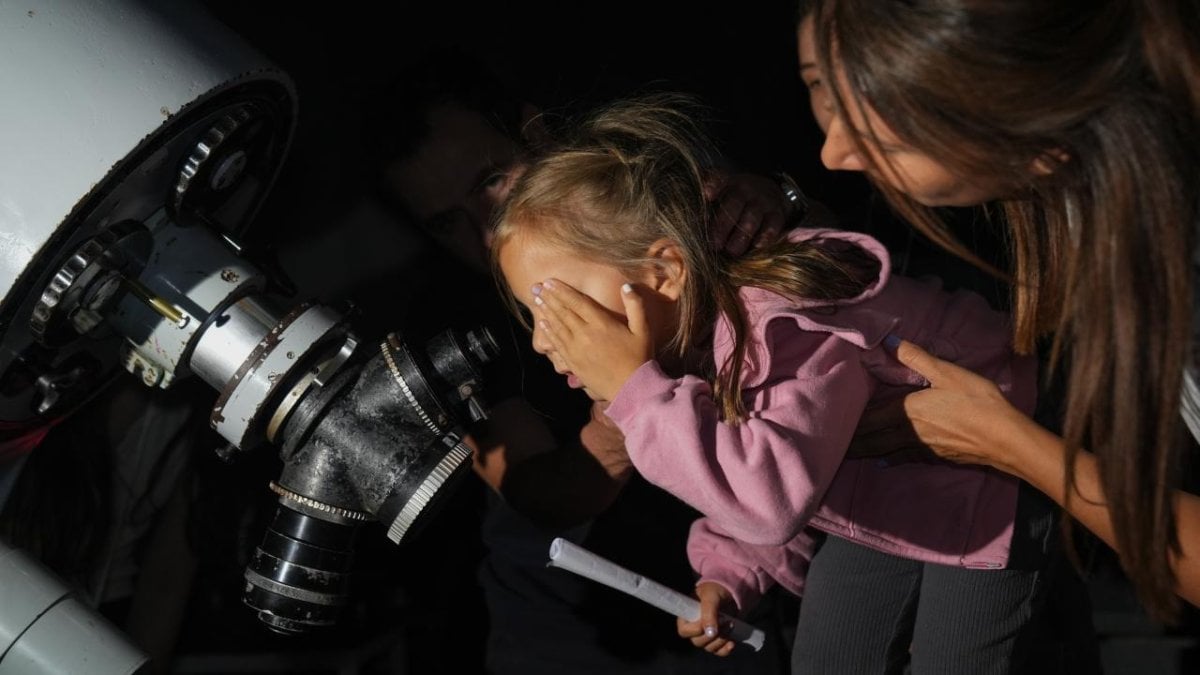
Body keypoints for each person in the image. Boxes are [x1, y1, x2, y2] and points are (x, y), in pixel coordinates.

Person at [493, 93, 1066, 673]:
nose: (544, 341)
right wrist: (731, 573)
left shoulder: (785, 324)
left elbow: (769, 497)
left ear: (663, 273)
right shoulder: (697, 338)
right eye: (532, 316)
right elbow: (765, 455)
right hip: (883, 493)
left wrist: (635, 392)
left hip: (990, 484)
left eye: (559, 309)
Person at [366, 50, 797, 673]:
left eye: (491, 181)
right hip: (584, 625)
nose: (488, 233)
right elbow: (539, 493)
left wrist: (775, 204)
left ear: (536, 134)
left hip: (762, 580)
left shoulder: (643, 191)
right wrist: (628, 395)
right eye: (446, 223)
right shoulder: (452, 323)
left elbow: (849, 299)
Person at [797, 0, 1200, 623]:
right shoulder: (1091, 196)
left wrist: (1004, 442)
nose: (834, 153)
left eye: (888, 140)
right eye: (819, 83)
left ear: (1038, 140)